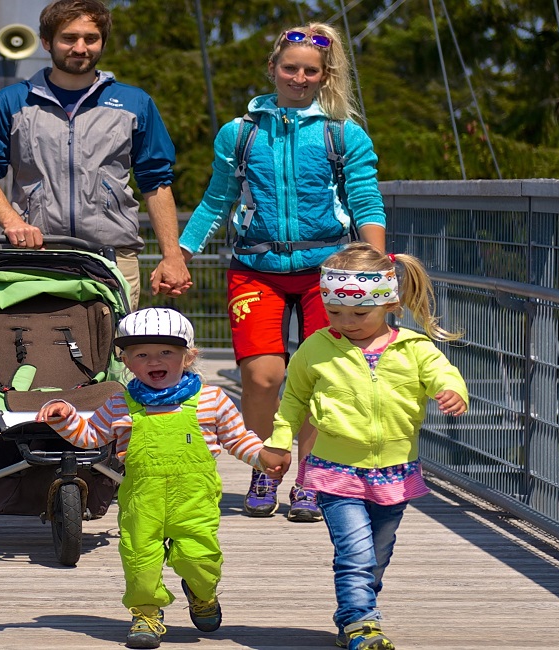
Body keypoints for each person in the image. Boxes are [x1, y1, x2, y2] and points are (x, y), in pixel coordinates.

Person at [176, 22, 388, 523]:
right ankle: (264, 467)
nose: (298, 78)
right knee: (262, 375)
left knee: (318, 378)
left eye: (309, 71)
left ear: (324, 75)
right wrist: (179, 253)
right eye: (289, 68)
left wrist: (378, 266)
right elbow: (217, 199)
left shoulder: (342, 133)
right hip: (256, 267)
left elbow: (365, 200)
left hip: (327, 271)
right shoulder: (242, 131)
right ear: (272, 69)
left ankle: (310, 479)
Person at [258, 243, 468, 650]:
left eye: (358, 313)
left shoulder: (415, 348)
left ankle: (354, 612)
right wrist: (279, 442)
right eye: (334, 312)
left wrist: (451, 391)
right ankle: (361, 623)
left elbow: (445, 374)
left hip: (395, 471)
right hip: (335, 471)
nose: (346, 322)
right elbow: (294, 400)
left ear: (389, 303)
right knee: (354, 552)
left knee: (378, 552)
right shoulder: (316, 348)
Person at [39, 308, 286, 649]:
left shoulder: (211, 400)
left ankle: (202, 594)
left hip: (194, 501)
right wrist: (65, 418)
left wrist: (262, 457)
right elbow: (90, 437)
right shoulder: (119, 403)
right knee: (140, 560)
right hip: (143, 502)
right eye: (141, 355)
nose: (154, 361)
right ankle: (146, 613)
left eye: (166, 352)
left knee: (199, 559)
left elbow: (238, 439)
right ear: (126, 361)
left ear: (189, 356)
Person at [0, 0, 192, 309]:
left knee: (114, 355)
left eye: (91, 38)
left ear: (103, 43)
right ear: (47, 42)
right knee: (39, 353)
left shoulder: (134, 102)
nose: (80, 47)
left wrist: (172, 256)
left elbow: (157, 183)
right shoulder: (12, 101)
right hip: (37, 256)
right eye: (69, 38)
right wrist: (13, 222)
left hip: (112, 257)